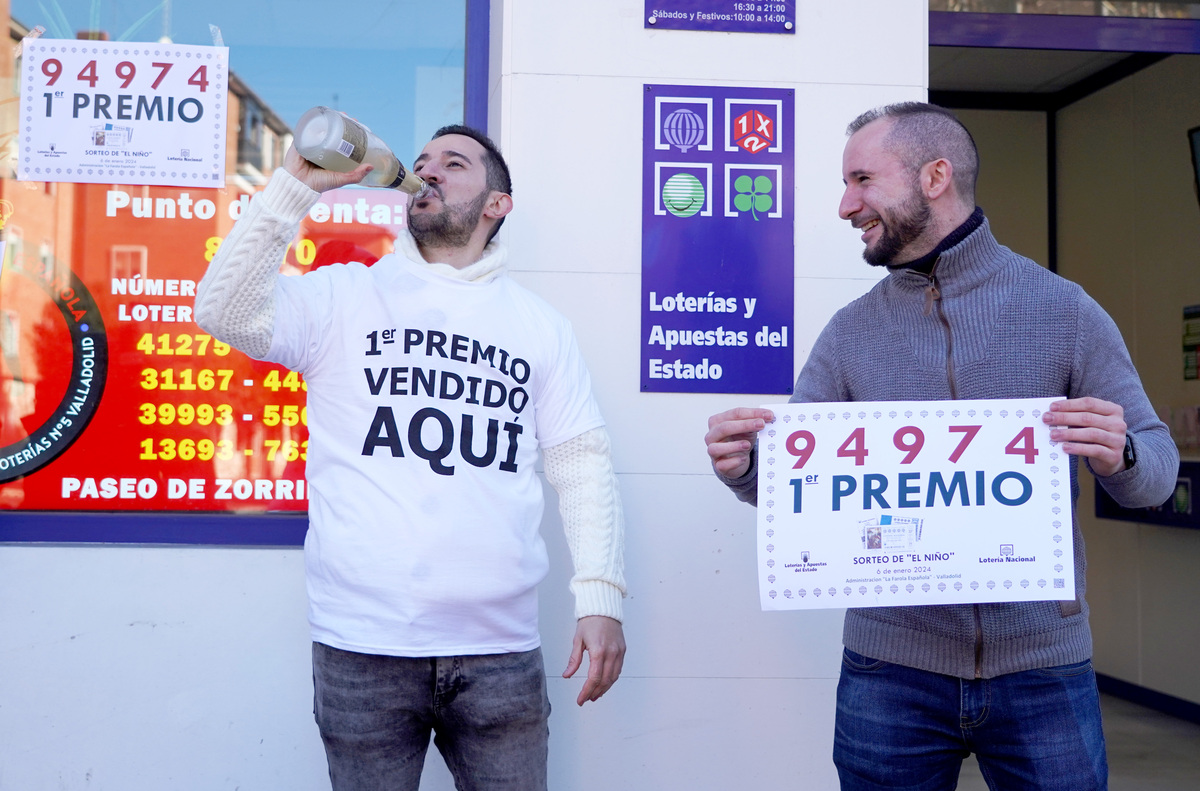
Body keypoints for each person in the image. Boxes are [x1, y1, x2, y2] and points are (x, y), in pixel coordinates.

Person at [704, 102, 1178, 791]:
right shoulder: (849, 333)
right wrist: (746, 467)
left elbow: (1157, 471)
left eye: (862, 179)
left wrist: (1123, 453)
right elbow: (786, 483)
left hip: (1042, 664)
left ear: (935, 176)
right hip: (888, 671)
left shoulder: (1065, 310)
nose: (845, 204)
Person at [196, 124, 626, 790]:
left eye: (454, 164)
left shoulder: (540, 327)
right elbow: (223, 311)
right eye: (422, 162)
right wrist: (294, 190)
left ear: (496, 204)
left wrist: (601, 597)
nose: (429, 172)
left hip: (500, 653)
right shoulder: (343, 297)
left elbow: (581, 462)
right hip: (362, 649)